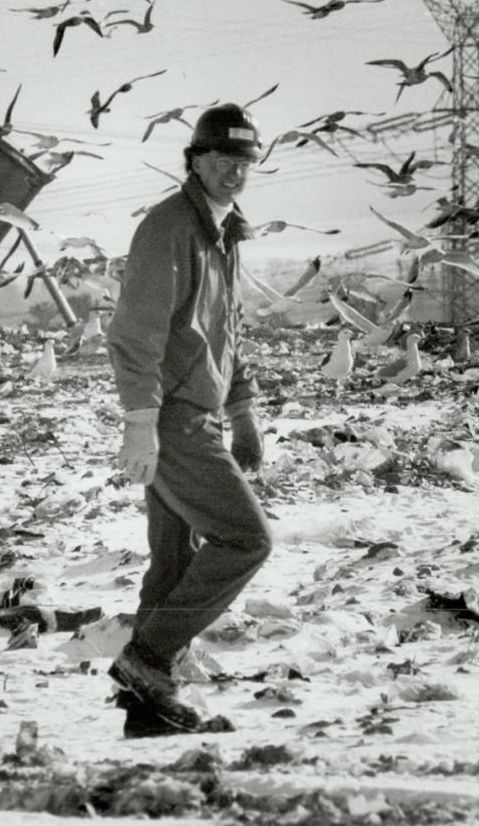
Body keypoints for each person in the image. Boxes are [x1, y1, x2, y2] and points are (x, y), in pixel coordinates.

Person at [104, 102, 273, 729]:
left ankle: (146, 709)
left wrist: (244, 413)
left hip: (197, 413)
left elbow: (224, 331)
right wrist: (139, 423)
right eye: (221, 158)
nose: (233, 171)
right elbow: (135, 331)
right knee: (245, 540)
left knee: (174, 563)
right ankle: (147, 659)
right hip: (173, 418)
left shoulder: (223, 232)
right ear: (194, 160)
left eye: (244, 161)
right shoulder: (170, 227)